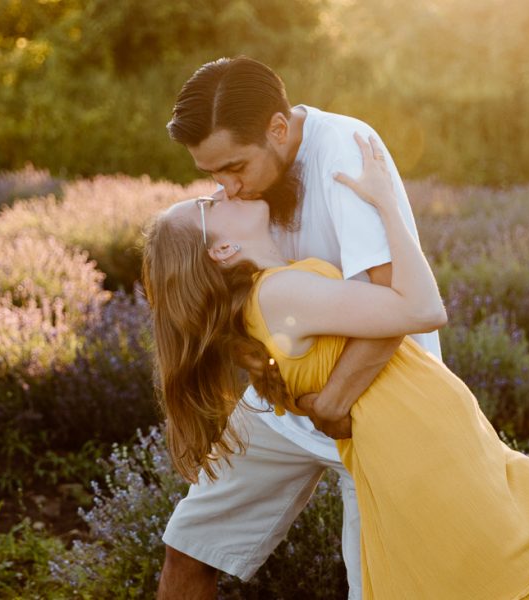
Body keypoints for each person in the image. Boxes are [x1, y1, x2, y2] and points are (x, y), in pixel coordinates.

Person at [143, 133, 529, 598]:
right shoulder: (279, 293)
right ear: (224, 248)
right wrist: (388, 202)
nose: (224, 191)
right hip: (419, 445)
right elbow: (423, 308)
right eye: (209, 204)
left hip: (426, 436)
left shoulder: (270, 294)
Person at [157, 56, 440, 599]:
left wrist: (336, 399)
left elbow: (396, 302)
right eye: (211, 174)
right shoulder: (243, 196)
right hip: (285, 405)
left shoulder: (344, 152)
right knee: (190, 546)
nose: (227, 188)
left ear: (279, 130)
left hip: (370, 404)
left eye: (235, 167)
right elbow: (228, 295)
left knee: (377, 588)